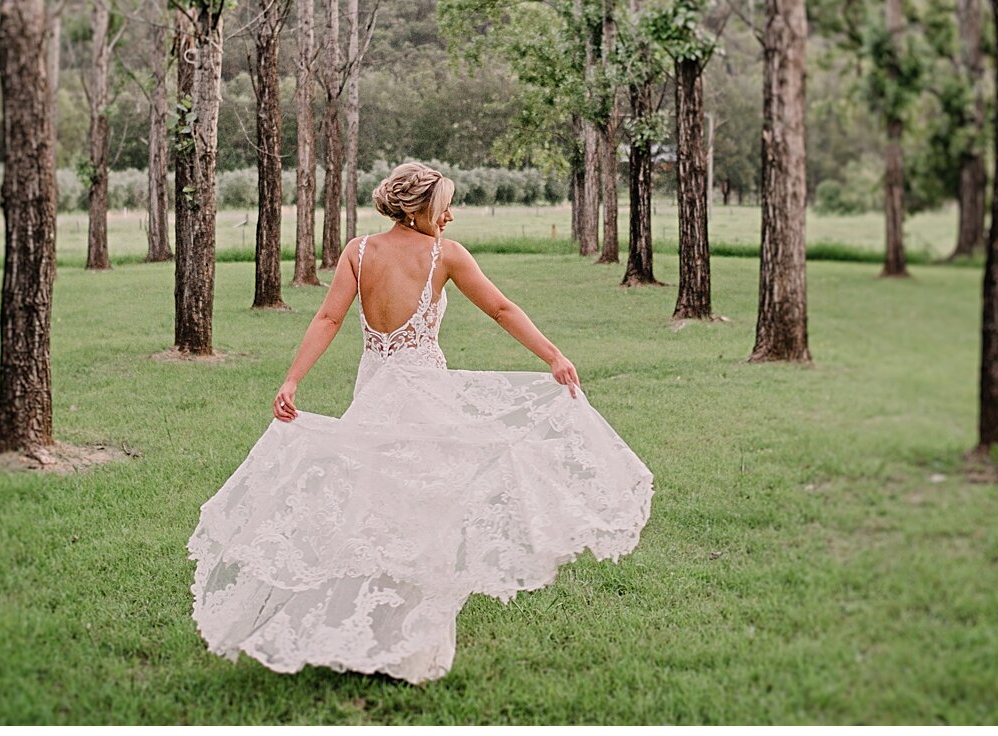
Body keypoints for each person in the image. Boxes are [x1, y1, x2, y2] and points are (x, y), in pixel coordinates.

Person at [188, 160, 653, 684]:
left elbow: (328, 319)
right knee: (426, 515)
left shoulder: (358, 251)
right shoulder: (443, 255)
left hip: (373, 393)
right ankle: (406, 651)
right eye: (443, 206)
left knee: (375, 511)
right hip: (425, 398)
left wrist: (292, 380)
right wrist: (552, 355)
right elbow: (500, 308)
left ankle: (375, 636)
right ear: (417, 208)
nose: (450, 216)